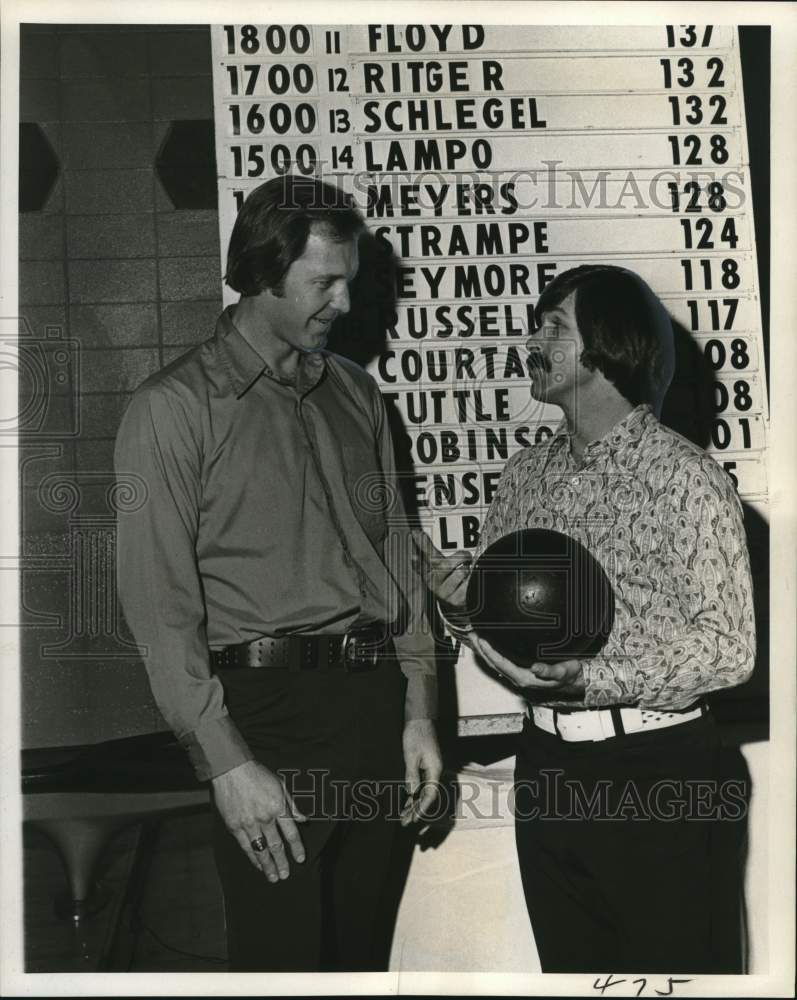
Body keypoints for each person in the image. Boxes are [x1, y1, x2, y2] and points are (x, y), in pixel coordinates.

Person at [114, 175, 442, 972]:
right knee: (283, 968)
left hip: (373, 707)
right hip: (267, 720)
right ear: (262, 273)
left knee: (362, 964)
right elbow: (161, 613)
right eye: (321, 283)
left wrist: (418, 708)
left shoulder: (357, 395)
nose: (342, 303)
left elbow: (395, 556)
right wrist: (226, 761)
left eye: (349, 283)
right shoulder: (173, 409)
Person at [414, 265, 756, 973]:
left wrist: (594, 679)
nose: (530, 340)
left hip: (660, 774)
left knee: (674, 985)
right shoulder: (522, 475)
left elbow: (730, 650)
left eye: (553, 328)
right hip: (547, 769)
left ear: (605, 351)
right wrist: (460, 605)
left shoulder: (684, 478)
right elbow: (510, 642)